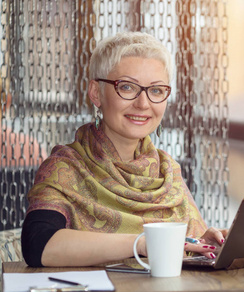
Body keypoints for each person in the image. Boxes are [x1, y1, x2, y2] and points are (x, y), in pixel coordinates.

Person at [21, 32, 227, 267]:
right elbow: (38, 245)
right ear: (96, 93)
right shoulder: (65, 167)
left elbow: (175, 253)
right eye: (127, 87)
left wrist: (200, 244)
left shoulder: (168, 172)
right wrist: (141, 244)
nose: (143, 103)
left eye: (157, 90)